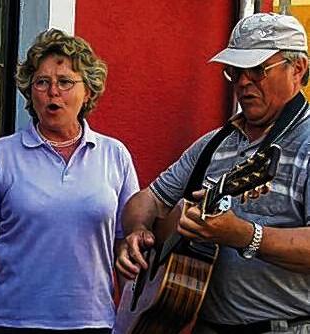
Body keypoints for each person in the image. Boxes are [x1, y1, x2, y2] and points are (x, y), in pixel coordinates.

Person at [115, 13, 310, 334]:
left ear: (298, 68)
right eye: (235, 71)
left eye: (257, 70)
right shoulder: (214, 143)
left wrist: (245, 235)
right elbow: (147, 199)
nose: (244, 82)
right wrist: (136, 231)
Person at [0, 28, 140, 334]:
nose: (52, 92)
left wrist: (133, 322)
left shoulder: (114, 155)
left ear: (89, 92)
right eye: (42, 82)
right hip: (9, 322)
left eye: (65, 82)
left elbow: (127, 245)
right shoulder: (0, 156)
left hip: (93, 323)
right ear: (30, 92)